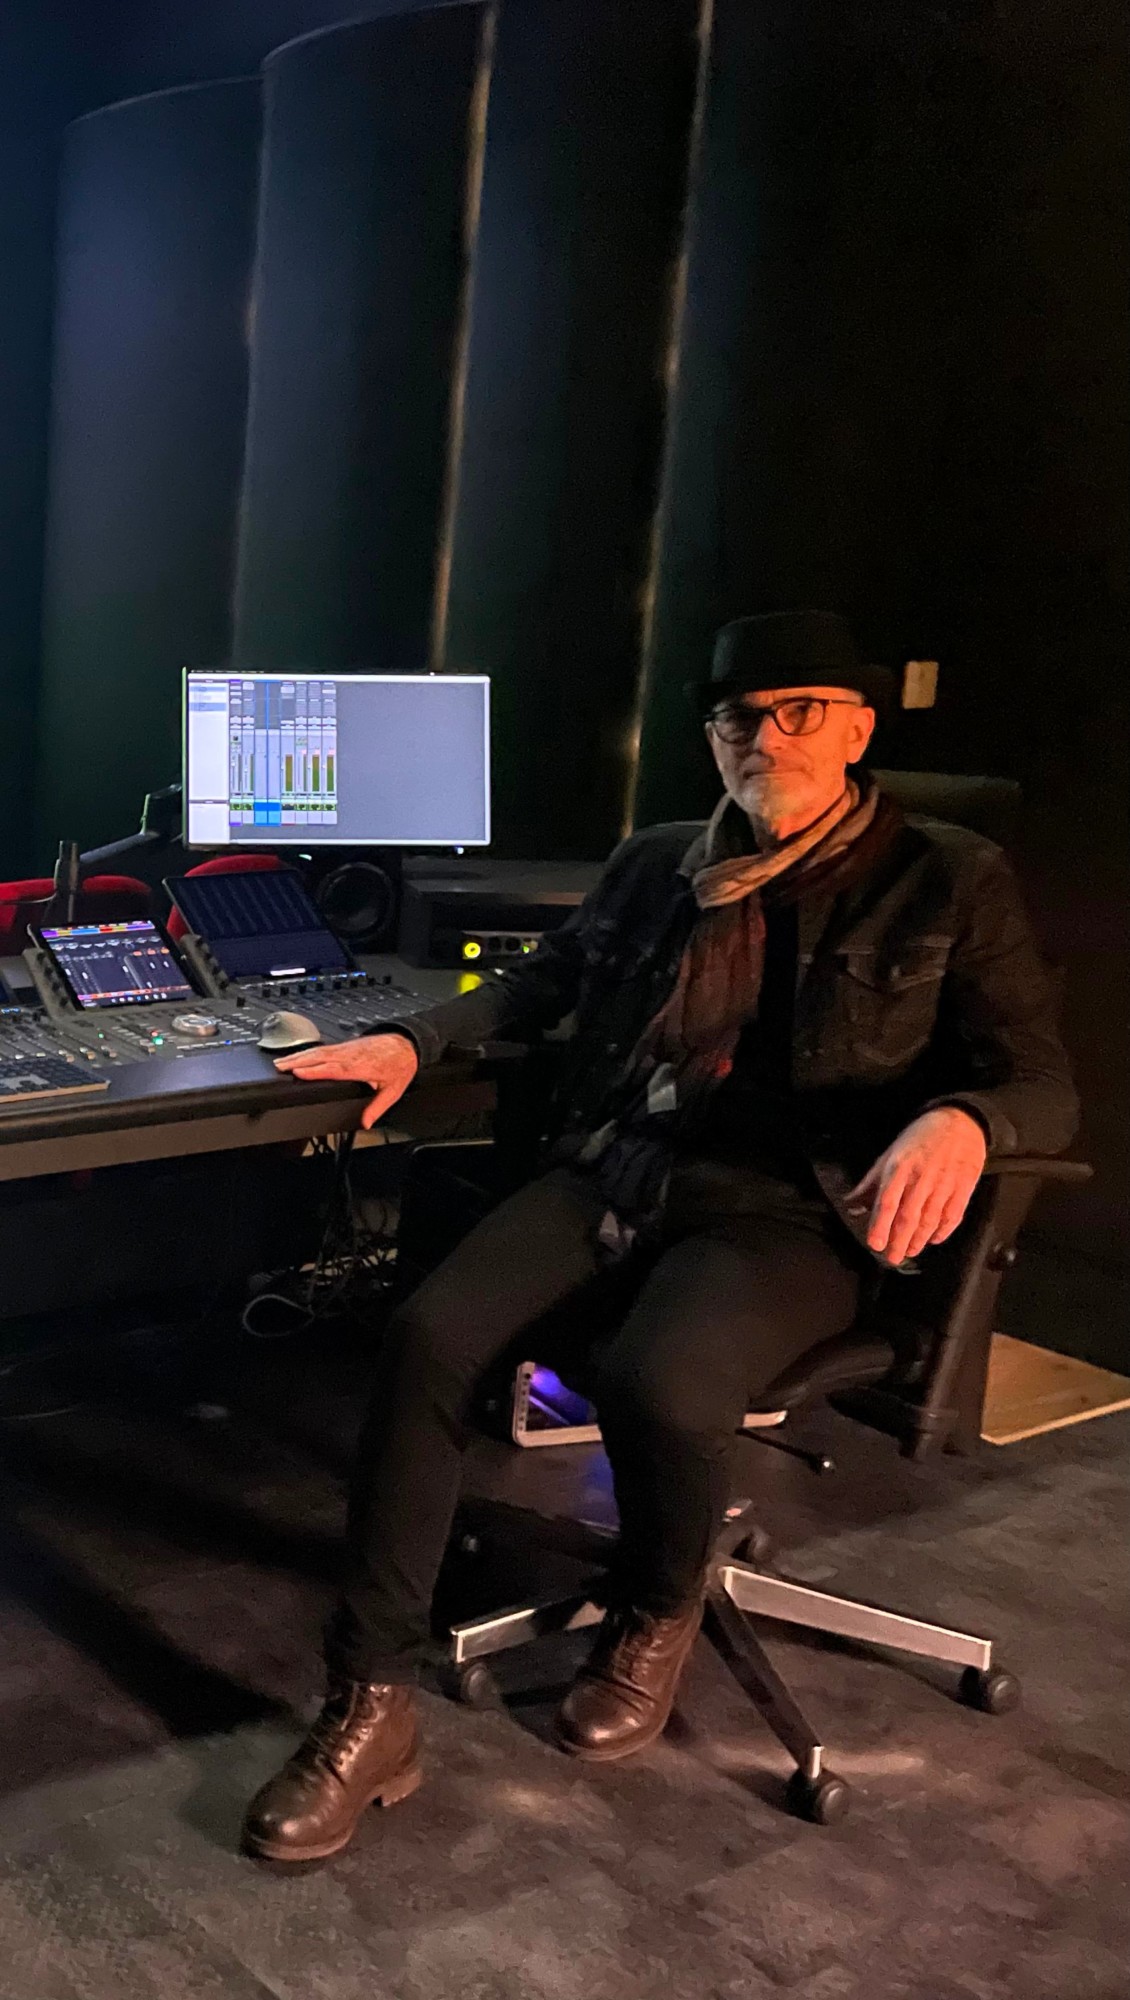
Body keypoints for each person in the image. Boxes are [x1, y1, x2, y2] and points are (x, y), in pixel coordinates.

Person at [242, 608, 1077, 1863]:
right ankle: (369, 1703)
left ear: (855, 730)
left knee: (658, 1376)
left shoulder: (946, 876)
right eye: (740, 718)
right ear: (713, 736)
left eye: (800, 712)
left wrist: (965, 1118)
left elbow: (1042, 1083)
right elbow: (542, 981)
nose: (766, 739)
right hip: (626, 1165)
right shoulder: (659, 861)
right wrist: (414, 1037)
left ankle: (654, 1602)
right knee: (425, 1336)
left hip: (796, 1208)